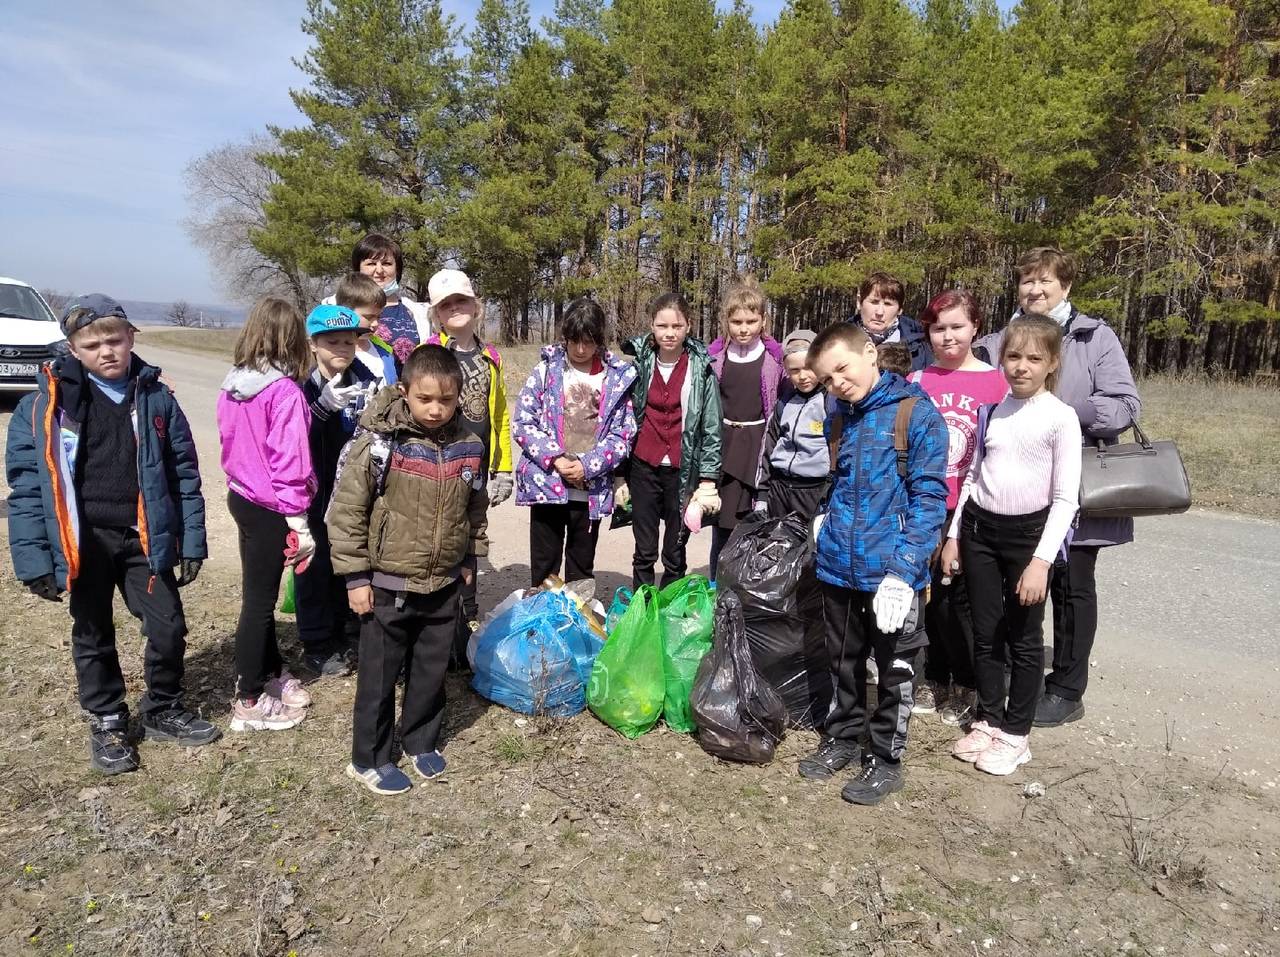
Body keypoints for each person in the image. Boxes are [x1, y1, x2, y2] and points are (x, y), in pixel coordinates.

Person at [6, 294, 217, 773]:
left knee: (169, 627)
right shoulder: (43, 407)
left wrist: (190, 540)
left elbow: (184, 473)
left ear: (131, 339)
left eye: (115, 340)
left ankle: (162, 706)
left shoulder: (158, 398)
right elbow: (25, 489)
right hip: (84, 541)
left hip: (141, 536)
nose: (107, 351)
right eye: (92, 343)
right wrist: (36, 560)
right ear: (73, 349)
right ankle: (106, 718)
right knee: (93, 631)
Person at [973, 247, 1140, 726]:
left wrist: (1061, 410)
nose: (1035, 290)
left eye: (1046, 281)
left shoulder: (1094, 337)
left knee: (1071, 585)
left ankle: (1066, 688)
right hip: (1011, 488)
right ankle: (1004, 679)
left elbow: (1126, 405)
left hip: (1075, 482)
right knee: (1009, 589)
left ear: (1065, 287)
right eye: (1028, 281)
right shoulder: (997, 341)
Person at [328, 345, 487, 795]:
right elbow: (347, 512)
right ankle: (369, 758)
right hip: (387, 584)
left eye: (446, 400)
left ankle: (419, 740)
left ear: (458, 397)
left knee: (431, 669)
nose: (436, 409)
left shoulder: (469, 447)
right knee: (379, 675)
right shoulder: (380, 443)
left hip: (443, 582)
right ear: (405, 391)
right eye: (425, 399)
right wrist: (356, 578)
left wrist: (471, 557)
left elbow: (474, 508)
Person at [799, 323, 948, 805]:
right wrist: (825, 519)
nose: (837, 383)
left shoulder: (915, 414)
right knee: (841, 662)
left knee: (894, 670)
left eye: (842, 369)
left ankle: (885, 758)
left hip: (891, 575)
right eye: (826, 378)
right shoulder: (837, 416)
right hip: (839, 564)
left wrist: (904, 573)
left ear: (870, 353)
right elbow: (840, 480)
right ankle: (842, 737)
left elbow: (930, 500)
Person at [944, 316, 1082, 775]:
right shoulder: (994, 412)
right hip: (981, 531)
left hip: (1028, 538)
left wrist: (1041, 561)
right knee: (986, 633)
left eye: (1034, 358)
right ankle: (989, 717)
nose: (1021, 367)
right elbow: (974, 478)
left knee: (1024, 639)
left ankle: (1016, 734)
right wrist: (955, 536)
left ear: (1052, 363)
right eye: (1013, 356)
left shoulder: (1060, 419)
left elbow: (1065, 499)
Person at [217, 297, 318, 732]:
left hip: (240, 496)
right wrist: (298, 520)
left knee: (257, 593)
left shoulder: (233, 382)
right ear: (295, 338)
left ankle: (273, 670)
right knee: (259, 604)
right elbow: (289, 460)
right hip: (270, 506)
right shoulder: (285, 393)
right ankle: (249, 697)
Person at [907, 290, 1009, 723]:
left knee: (958, 600)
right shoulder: (916, 382)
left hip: (970, 507)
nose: (947, 337)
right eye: (938, 328)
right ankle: (934, 677)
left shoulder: (996, 383)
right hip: (923, 503)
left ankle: (967, 683)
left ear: (975, 329)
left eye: (956, 327)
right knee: (925, 598)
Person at [420, 268, 513, 666]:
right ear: (437, 314)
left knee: (472, 536)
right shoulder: (429, 353)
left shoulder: (491, 358)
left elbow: (501, 416)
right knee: (441, 534)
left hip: (477, 469)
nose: (455, 308)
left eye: (462, 301)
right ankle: (435, 614)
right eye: (446, 304)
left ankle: (467, 615)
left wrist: (504, 468)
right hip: (438, 465)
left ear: (475, 307)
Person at [513, 298, 637, 589]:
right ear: (564, 337)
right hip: (547, 486)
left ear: (599, 340)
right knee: (545, 567)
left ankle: (576, 627)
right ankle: (542, 627)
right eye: (574, 341)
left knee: (581, 568)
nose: (580, 350)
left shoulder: (617, 379)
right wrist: (555, 458)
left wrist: (586, 466)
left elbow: (624, 434)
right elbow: (523, 422)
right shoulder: (546, 372)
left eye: (588, 342)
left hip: (588, 490)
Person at [295, 304, 379, 677]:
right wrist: (321, 409)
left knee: (346, 557)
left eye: (349, 341)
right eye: (332, 342)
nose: (342, 349)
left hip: (351, 492)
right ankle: (316, 641)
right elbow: (291, 439)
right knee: (314, 566)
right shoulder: (301, 384)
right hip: (312, 490)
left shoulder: (363, 376)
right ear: (314, 344)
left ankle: (345, 629)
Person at [621, 293, 722, 589]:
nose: (669, 333)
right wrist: (618, 474)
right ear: (652, 326)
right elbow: (620, 417)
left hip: (683, 469)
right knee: (645, 550)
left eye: (676, 326)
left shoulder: (701, 369)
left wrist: (708, 479)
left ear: (688, 326)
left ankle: (670, 609)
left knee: (675, 551)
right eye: (662, 325)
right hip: (644, 466)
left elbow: (711, 427)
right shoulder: (639, 365)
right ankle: (643, 609)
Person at [708, 279, 783, 578]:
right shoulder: (715, 359)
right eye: (736, 321)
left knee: (754, 525)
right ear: (726, 321)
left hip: (757, 447)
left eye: (751, 321)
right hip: (724, 447)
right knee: (722, 530)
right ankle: (717, 589)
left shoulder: (774, 360)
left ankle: (750, 593)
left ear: (763, 320)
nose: (744, 328)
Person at [323, 233, 432, 373]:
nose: (379, 270)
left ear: (397, 269)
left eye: (386, 263)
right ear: (358, 268)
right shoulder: (333, 308)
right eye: (371, 264)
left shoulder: (419, 313)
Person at [754, 329, 831, 523]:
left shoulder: (831, 402)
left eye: (808, 368)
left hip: (813, 492)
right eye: (794, 371)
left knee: (808, 549)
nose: (802, 376)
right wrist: (763, 495)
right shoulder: (784, 402)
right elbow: (768, 446)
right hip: (779, 489)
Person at [849, 272, 932, 372]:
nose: (879, 312)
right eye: (874, 302)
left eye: (888, 304)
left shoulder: (921, 348)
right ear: (859, 302)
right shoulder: (838, 342)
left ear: (900, 309)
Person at [335, 272, 397, 386]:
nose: (375, 323)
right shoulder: (334, 355)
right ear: (344, 313)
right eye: (369, 317)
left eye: (378, 316)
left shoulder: (386, 353)